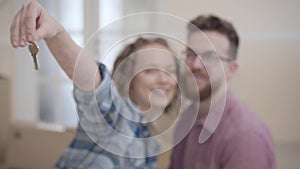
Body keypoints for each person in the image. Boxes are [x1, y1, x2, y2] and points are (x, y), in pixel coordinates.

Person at [10, 1, 182, 169]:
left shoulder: (149, 142)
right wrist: (57, 34)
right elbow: (94, 85)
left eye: (170, 70)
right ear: (129, 79)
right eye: (151, 70)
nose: (164, 79)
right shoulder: (115, 118)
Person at [169, 15, 276, 169]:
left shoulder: (245, 136)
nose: (195, 65)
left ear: (231, 69)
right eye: (190, 54)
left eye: (209, 56)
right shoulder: (187, 119)